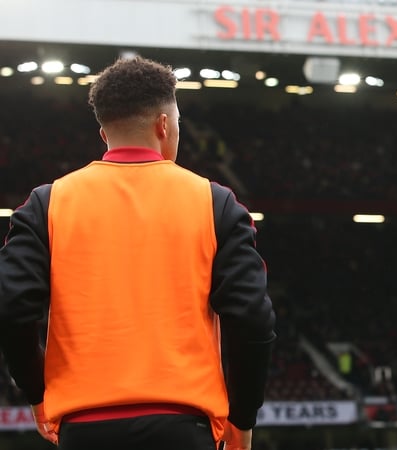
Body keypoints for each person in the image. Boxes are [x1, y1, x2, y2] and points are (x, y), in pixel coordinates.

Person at [0, 56, 276, 450]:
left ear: (104, 133)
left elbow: (11, 309)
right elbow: (252, 320)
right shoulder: (216, 203)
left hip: (84, 427)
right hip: (184, 427)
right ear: (164, 125)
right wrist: (242, 417)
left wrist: (35, 390)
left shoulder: (47, 204)